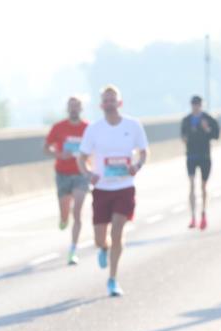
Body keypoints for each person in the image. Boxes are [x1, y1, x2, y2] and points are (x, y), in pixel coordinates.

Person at [76, 85, 149, 297]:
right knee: (101, 238)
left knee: (118, 231)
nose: (109, 103)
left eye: (112, 100)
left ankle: (113, 278)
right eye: (106, 100)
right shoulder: (94, 129)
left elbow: (144, 152)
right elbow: (82, 158)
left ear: (120, 103)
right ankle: (103, 248)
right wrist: (89, 174)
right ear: (101, 105)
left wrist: (137, 166)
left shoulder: (133, 125)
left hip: (124, 187)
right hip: (102, 188)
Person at [44, 96, 89, 264]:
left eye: (77, 106)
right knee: (65, 213)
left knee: (77, 211)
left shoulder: (88, 128)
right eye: (71, 106)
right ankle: (64, 218)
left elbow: (96, 147)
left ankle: (73, 250)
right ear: (67, 109)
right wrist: (59, 154)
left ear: (81, 108)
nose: (74, 109)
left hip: (81, 173)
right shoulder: (59, 127)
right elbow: (45, 148)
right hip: (63, 173)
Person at [180, 95, 220, 230]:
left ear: (201, 105)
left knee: (203, 186)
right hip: (191, 155)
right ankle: (192, 216)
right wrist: (185, 139)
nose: (196, 106)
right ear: (191, 105)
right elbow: (183, 136)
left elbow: (216, 135)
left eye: (198, 104)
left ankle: (203, 213)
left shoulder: (209, 119)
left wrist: (206, 128)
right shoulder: (186, 120)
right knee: (191, 185)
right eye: (193, 104)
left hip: (204, 156)